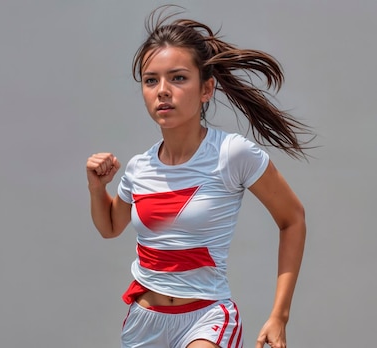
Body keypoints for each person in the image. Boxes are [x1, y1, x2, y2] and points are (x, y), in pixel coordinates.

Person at [86, 5, 310, 348]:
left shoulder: (232, 154)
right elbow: (110, 227)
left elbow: (292, 219)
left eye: (178, 78)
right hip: (144, 323)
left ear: (206, 89)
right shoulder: (138, 168)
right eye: (151, 80)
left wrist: (279, 316)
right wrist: (97, 188)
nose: (162, 90)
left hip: (207, 319)